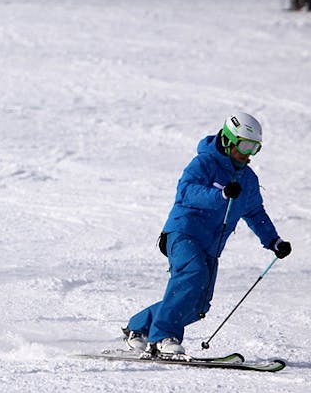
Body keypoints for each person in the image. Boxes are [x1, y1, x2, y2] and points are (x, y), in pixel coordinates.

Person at [123, 112, 292, 357]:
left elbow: (255, 212)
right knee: (193, 274)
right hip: (182, 233)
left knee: (198, 305)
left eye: (254, 148)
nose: (247, 154)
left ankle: (137, 328)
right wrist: (221, 194)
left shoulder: (248, 179)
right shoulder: (203, 163)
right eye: (244, 145)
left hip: (210, 246)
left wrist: (273, 241)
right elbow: (187, 192)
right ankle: (163, 337)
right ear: (228, 140)